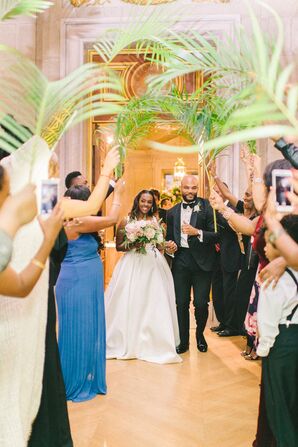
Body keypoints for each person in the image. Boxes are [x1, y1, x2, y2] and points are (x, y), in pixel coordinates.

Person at [55, 181, 124, 402]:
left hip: (88, 277)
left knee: (87, 327)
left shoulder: (72, 218)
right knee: (78, 328)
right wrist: (118, 193)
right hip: (77, 279)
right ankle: (73, 380)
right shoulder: (78, 220)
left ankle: (86, 374)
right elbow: (112, 219)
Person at [105, 189, 181, 364]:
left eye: (149, 202)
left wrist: (168, 246)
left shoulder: (157, 222)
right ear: (137, 202)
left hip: (153, 264)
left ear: (153, 204)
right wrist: (136, 243)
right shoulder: (126, 220)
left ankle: (153, 342)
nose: (146, 205)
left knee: (153, 302)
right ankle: (127, 340)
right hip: (132, 264)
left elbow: (159, 245)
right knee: (131, 301)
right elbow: (119, 247)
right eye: (143, 201)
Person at [257, 215, 298, 447]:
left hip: (281, 343)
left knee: (279, 405)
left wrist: (264, 350)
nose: (264, 245)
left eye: (271, 241)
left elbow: (268, 321)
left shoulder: (272, 279)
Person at [166, 175, 218, 354]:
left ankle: (200, 335)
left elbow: (216, 235)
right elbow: (168, 240)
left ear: (197, 189)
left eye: (193, 188)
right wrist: (169, 247)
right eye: (186, 187)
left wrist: (197, 232)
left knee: (201, 303)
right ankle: (183, 341)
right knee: (181, 303)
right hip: (181, 261)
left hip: (203, 263)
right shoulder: (171, 212)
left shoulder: (207, 207)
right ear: (180, 188)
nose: (190, 191)